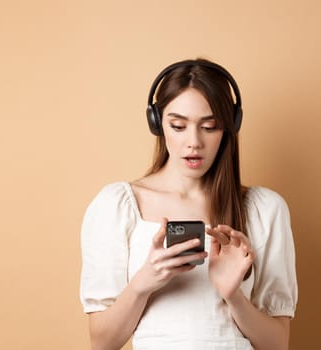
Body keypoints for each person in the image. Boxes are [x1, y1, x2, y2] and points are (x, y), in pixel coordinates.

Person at [80, 58, 298, 350]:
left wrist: (233, 295)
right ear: (158, 124)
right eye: (178, 126)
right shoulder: (116, 206)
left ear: (228, 128)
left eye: (209, 126)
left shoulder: (265, 209)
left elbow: (277, 345)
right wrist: (144, 282)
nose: (193, 142)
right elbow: (102, 343)